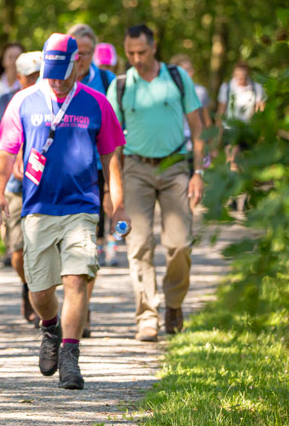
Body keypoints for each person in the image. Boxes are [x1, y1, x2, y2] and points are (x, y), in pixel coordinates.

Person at [0, 33, 128, 389]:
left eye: (60, 71)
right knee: (39, 289)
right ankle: (50, 327)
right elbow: (5, 154)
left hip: (82, 206)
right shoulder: (23, 101)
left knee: (75, 278)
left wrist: (118, 202)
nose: (54, 78)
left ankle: (70, 356)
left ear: (77, 64)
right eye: (49, 71)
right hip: (38, 208)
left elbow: (112, 155)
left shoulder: (97, 103)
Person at [106, 24, 206, 342]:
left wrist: (198, 172)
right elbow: (111, 144)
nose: (136, 58)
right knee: (139, 244)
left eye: (142, 52)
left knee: (179, 245)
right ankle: (147, 315)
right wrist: (112, 190)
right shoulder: (121, 86)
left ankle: (174, 304)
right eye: (130, 52)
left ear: (154, 47)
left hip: (176, 165)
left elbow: (198, 126)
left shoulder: (177, 78)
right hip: (135, 168)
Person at [66, 24, 118, 339]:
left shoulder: (108, 82)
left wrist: (113, 185)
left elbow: (115, 135)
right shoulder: (55, 78)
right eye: (76, 53)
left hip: (95, 171)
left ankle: (81, 308)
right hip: (58, 171)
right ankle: (70, 304)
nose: (80, 58)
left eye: (85, 53)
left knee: (89, 244)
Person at [0, 51, 42, 325]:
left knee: (44, 249)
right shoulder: (7, 101)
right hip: (15, 186)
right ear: (18, 77)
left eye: (38, 75)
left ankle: (42, 293)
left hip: (46, 188)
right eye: (30, 76)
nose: (35, 81)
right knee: (17, 251)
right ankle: (30, 286)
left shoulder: (53, 101)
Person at [216, 61, 266, 172]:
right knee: (232, 158)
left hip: (248, 129)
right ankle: (230, 182)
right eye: (238, 75)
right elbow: (221, 111)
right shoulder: (227, 88)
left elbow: (261, 111)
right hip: (230, 128)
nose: (240, 79)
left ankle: (240, 182)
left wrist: (262, 131)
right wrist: (218, 131)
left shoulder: (257, 89)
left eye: (243, 76)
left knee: (244, 162)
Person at [171, 54, 214, 157]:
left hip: (195, 144)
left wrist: (212, 146)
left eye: (191, 69)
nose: (191, 73)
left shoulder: (200, 91)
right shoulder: (168, 93)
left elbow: (207, 121)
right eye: (186, 70)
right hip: (174, 145)